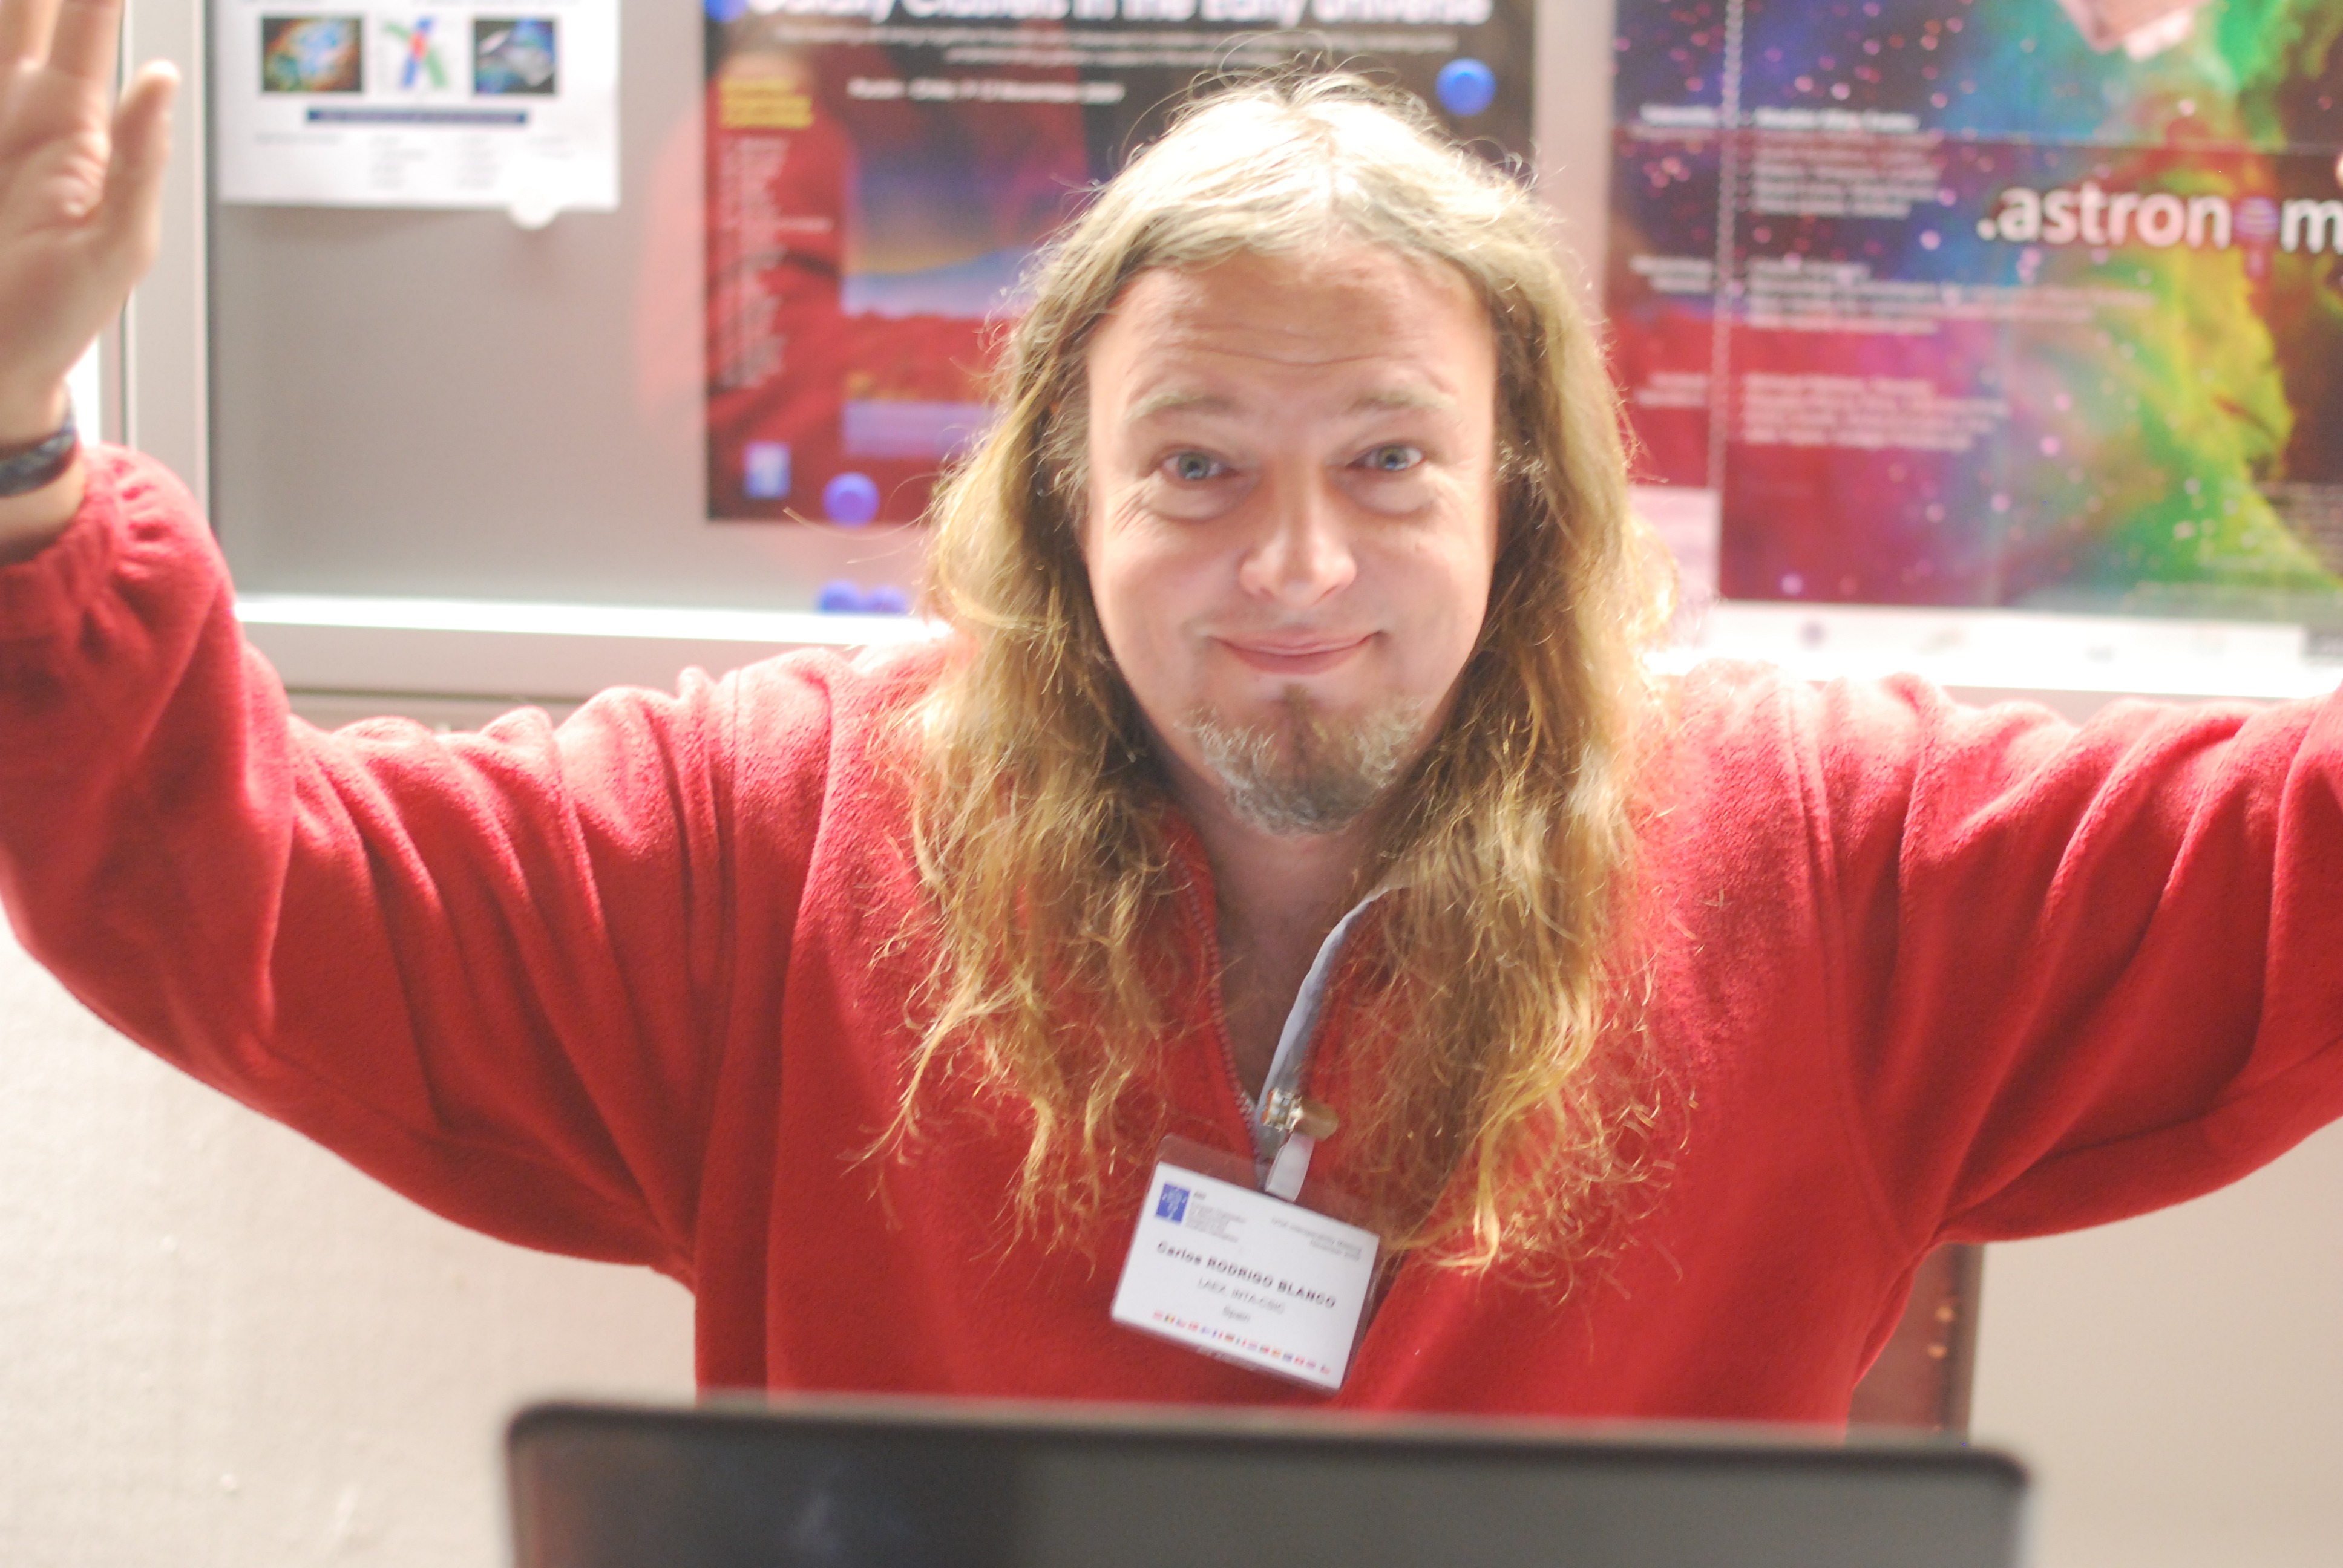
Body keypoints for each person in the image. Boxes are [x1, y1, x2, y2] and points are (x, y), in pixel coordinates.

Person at [5, 0, 2343, 1422]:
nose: (1298, 567)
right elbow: (244, 890)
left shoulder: (1830, 855)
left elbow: (2299, 866)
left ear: (1520, 491)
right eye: (1199, 467)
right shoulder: (771, 840)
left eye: (1391, 463)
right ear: (1066, 497)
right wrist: (19, 460)